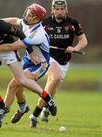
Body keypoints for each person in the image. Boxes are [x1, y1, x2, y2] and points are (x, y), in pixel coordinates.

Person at [28, 0, 88, 128]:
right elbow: (31, 37)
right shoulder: (45, 23)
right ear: (52, 9)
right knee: (55, 78)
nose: (59, 11)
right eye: (57, 9)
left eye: (62, 9)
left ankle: (43, 110)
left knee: (53, 85)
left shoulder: (73, 23)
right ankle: (34, 115)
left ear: (66, 10)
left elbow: (83, 40)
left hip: (64, 61)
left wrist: (75, 48)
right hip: (48, 57)